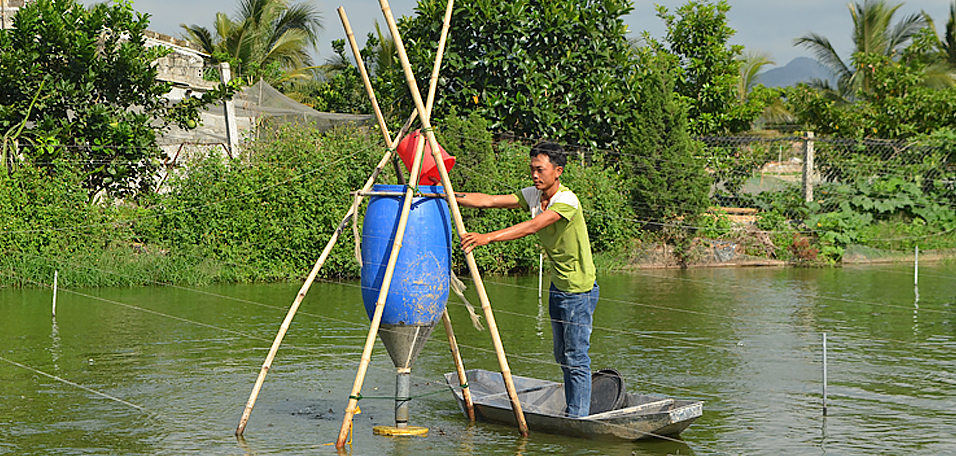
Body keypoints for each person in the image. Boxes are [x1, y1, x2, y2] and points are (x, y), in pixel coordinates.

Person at [457, 141, 599, 418]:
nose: (534, 175)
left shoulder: (566, 200)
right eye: (531, 169)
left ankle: (578, 417)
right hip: (559, 287)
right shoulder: (534, 195)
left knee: (576, 357)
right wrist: (444, 193)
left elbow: (533, 226)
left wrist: (487, 237)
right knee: (562, 355)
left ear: (557, 171)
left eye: (540, 169)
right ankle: (574, 409)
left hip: (579, 290)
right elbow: (489, 200)